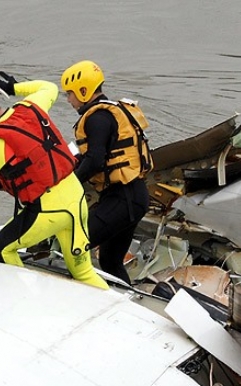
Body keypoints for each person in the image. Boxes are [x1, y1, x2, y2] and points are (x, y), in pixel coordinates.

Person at [0, 74, 108, 290]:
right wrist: (12, 87)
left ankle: (21, 300)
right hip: (76, 199)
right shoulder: (29, 107)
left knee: (2, 246)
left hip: (51, 211)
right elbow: (48, 87)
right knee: (83, 272)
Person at [61, 60, 152, 285]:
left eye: (70, 94)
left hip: (123, 199)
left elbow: (95, 160)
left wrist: (68, 184)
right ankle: (128, 298)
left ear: (84, 91)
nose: (68, 100)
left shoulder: (96, 118)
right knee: (111, 261)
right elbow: (97, 154)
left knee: (77, 243)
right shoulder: (108, 113)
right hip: (134, 197)